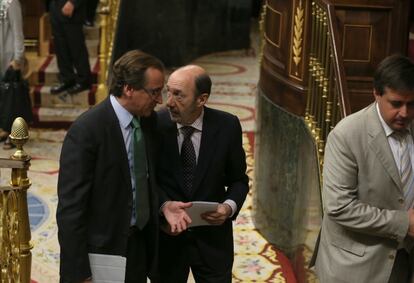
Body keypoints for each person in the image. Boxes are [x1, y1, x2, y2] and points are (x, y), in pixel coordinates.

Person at [56, 50, 164, 283]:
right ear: (128, 89)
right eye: (154, 92)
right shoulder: (87, 131)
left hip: (138, 246)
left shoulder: (149, 121)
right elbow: (71, 209)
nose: (160, 100)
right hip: (101, 253)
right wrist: (79, 272)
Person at [312, 54, 414, 282]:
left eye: (412, 104)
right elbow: (339, 206)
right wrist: (404, 223)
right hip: (355, 267)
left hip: (403, 259)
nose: (405, 113)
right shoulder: (347, 135)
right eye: (396, 104)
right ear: (376, 94)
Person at [157, 65, 249, 283]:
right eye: (168, 92)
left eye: (178, 95)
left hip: (213, 242)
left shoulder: (227, 125)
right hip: (167, 241)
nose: (169, 101)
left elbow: (239, 180)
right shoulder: (155, 125)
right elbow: (145, 180)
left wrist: (228, 208)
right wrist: (162, 207)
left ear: (202, 99)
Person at [49, 0, 92, 95]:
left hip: (72, 9)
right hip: (55, 7)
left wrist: (73, 3)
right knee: (60, 47)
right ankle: (66, 79)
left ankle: (84, 80)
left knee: (76, 47)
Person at [0, 0, 25, 148]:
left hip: (8, 59)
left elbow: (18, 31)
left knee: (11, 99)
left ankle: (14, 133)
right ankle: (3, 129)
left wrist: (18, 58)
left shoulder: (11, 2)